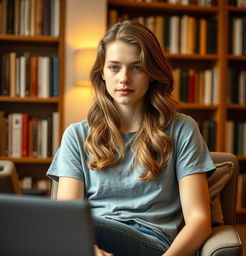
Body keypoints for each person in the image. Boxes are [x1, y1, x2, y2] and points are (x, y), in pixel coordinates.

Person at [47, 20, 215, 256]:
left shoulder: (181, 129)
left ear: (152, 74)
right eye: (114, 67)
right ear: (102, 73)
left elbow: (199, 220)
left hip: (151, 242)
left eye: (137, 67)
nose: (124, 78)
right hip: (92, 242)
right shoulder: (77, 135)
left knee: (58, 225)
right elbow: (69, 213)